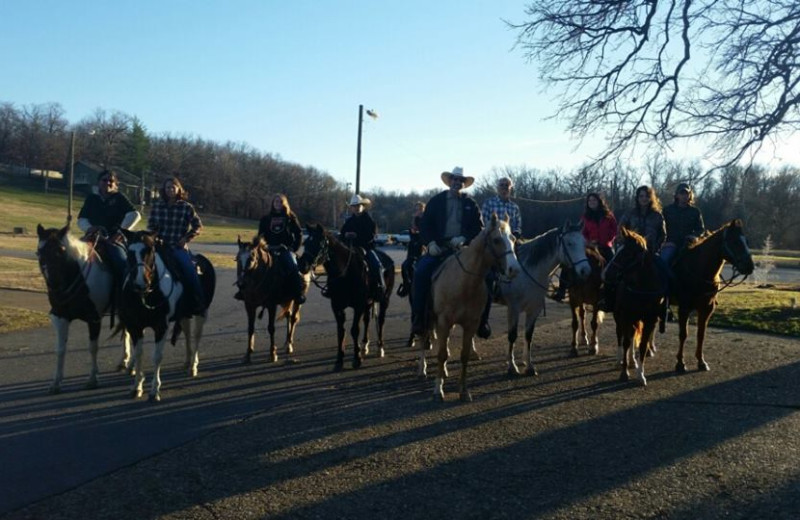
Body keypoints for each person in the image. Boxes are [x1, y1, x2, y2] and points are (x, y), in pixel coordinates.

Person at [411, 167, 484, 337]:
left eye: (461, 181)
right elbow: (425, 225)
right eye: (455, 179)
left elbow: (478, 228)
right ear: (449, 181)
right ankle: (419, 319)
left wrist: (464, 238)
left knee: (486, 277)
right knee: (420, 273)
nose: (457, 183)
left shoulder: (470, 203)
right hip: (439, 248)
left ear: (463, 184)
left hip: (462, 249)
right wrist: (430, 244)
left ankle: (482, 321)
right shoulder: (436, 201)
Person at [600, 185, 665, 312]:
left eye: (646, 196)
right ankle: (607, 300)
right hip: (629, 250)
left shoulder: (657, 216)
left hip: (649, 252)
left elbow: (663, 235)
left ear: (651, 198)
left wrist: (655, 248)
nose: (644, 199)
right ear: (637, 198)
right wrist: (623, 242)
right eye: (641, 196)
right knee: (610, 272)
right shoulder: (630, 213)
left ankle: (664, 305)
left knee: (665, 272)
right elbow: (620, 230)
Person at [148, 176, 205, 316]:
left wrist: (186, 238)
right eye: (167, 187)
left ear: (179, 189)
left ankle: (198, 303)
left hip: (177, 247)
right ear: (164, 190)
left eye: (173, 187)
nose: (170, 190)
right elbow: (151, 226)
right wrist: (153, 237)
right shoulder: (157, 206)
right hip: (159, 247)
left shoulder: (186, 207)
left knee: (190, 271)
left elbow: (198, 226)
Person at [234, 194, 306, 303]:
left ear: (284, 204)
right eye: (276, 202)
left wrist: (294, 248)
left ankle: (297, 293)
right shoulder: (266, 218)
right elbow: (260, 236)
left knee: (293, 267)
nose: (277, 204)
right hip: (268, 249)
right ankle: (243, 291)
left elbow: (299, 233)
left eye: (280, 202)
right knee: (250, 266)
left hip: (284, 250)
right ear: (273, 204)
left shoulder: (290, 217)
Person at [77, 169, 141, 285]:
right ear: (98, 182)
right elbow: (82, 219)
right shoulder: (92, 198)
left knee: (121, 263)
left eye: (111, 181)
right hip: (92, 237)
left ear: (115, 184)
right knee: (71, 256)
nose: (107, 183)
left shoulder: (119, 198)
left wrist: (121, 232)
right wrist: (89, 228)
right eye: (104, 180)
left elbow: (135, 215)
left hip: (112, 240)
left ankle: (124, 294)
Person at [553, 192, 617, 301]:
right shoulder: (585, 217)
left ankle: (611, 293)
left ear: (599, 201)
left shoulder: (609, 216)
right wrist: (589, 242)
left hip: (605, 246)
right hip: (590, 246)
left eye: (594, 200)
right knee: (569, 264)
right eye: (590, 201)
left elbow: (614, 231)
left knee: (613, 267)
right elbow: (582, 232)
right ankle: (561, 291)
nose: (592, 202)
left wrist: (604, 241)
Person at [478, 175, 522, 330]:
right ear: (497, 188)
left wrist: (515, 234)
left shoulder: (514, 208)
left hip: (509, 244)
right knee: (488, 277)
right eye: (502, 185)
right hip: (493, 246)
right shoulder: (489, 204)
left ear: (510, 188)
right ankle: (483, 320)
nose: (504, 188)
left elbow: (518, 226)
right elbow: (482, 225)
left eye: (507, 185)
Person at [339, 193, 385, 298]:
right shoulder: (349, 221)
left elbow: (371, 236)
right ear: (351, 208)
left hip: (366, 249)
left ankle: (380, 287)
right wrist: (345, 235)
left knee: (377, 265)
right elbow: (342, 234)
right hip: (350, 249)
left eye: (358, 205)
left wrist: (357, 236)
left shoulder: (369, 221)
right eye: (354, 206)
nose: (356, 208)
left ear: (363, 206)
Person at [661, 183, 705, 268]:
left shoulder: (695, 211)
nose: (684, 196)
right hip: (671, 243)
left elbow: (701, 229)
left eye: (687, 193)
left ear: (690, 195)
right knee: (663, 261)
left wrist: (694, 236)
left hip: (689, 245)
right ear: (677, 195)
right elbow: (660, 228)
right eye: (682, 193)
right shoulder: (667, 210)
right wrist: (664, 243)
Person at [397, 201, 425, 298]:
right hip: (413, 248)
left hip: (423, 247)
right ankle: (406, 285)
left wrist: (419, 233)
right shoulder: (414, 220)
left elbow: (426, 234)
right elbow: (412, 233)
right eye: (416, 209)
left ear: (423, 209)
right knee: (405, 266)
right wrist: (414, 231)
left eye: (419, 209)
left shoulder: (426, 220)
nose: (417, 211)